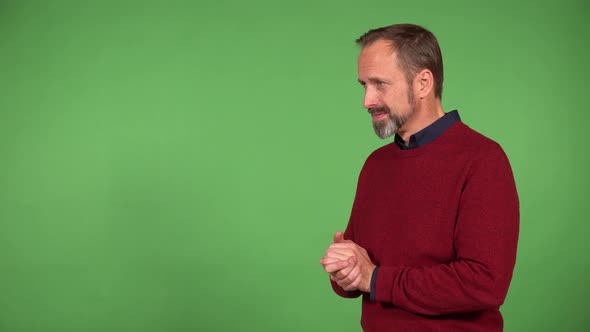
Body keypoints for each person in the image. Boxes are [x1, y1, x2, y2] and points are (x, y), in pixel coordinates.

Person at [319, 24, 519, 331]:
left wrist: (374, 278)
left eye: (380, 84)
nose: (367, 100)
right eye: (363, 85)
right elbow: (361, 273)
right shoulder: (376, 164)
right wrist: (345, 271)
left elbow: (484, 284)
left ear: (423, 83)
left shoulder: (482, 160)